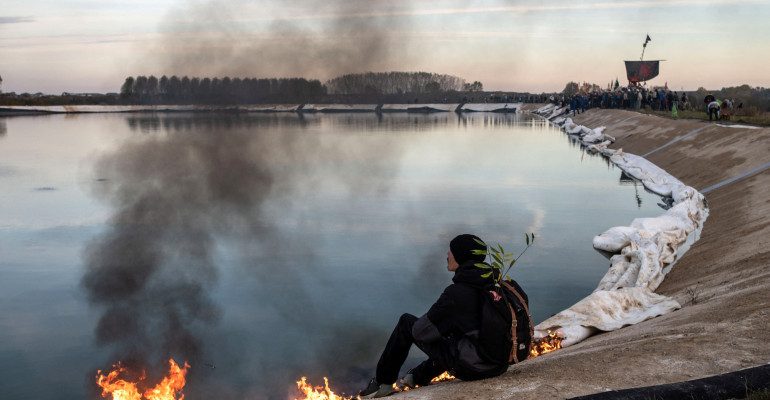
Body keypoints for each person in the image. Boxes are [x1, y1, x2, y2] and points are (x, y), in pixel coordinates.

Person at [358, 234, 507, 398]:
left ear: (461, 257)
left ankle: (382, 384)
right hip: (499, 365)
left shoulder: (456, 294)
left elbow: (420, 332)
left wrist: (440, 324)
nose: (447, 255)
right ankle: (416, 376)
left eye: (451, 252)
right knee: (454, 331)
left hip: (475, 368)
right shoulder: (499, 285)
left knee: (407, 323)